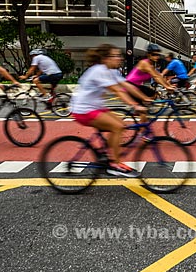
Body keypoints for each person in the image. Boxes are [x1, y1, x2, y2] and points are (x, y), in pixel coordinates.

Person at [71, 44, 150, 177]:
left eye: (119, 55)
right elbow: (117, 90)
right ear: (105, 58)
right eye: (116, 55)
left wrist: (146, 99)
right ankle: (114, 164)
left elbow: (127, 86)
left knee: (121, 124)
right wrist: (135, 105)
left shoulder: (112, 71)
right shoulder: (99, 70)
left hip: (95, 107)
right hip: (83, 110)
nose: (119, 58)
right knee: (117, 127)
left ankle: (107, 155)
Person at [126, 44, 174, 122]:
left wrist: (169, 85)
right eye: (154, 54)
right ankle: (141, 131)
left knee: (153, 94)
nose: (156, 57)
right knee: (143, 113)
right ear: (148, 55)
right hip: (130, 87)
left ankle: (141, 107)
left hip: (137, 86)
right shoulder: (144, 63)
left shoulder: (151, 64)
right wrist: (167, 87)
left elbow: (159, 76)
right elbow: (156, 77)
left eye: (158, 55)